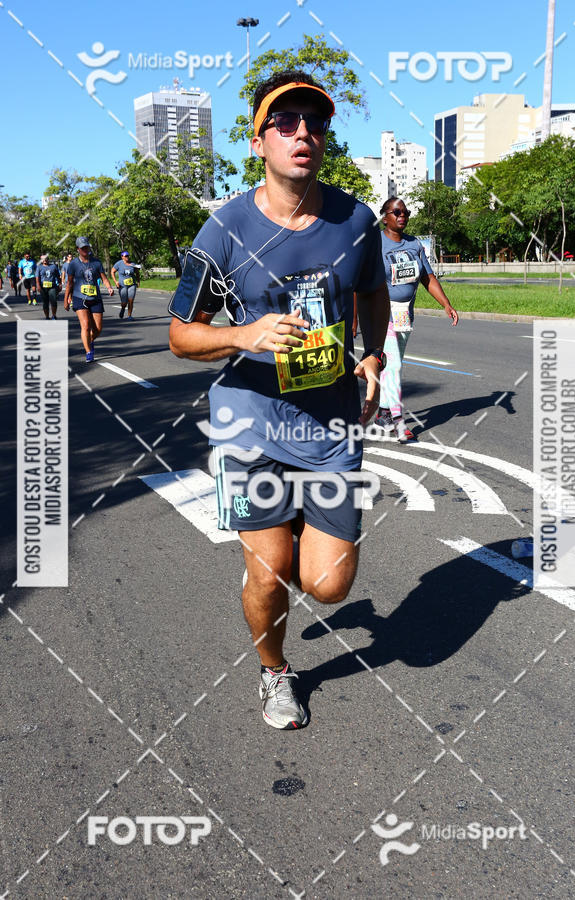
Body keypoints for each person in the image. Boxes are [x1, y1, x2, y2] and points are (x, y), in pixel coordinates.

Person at [169, 70, 389, 730]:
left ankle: (296, 535)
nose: (303, 134)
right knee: (269, 577)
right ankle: (274, 671)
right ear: (259, 140)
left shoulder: (356, 220)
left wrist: (373, 353)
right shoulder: (224, 229)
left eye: (315, 124)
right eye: (286, 123)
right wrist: (245, 333)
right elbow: (181, 335)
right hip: (250, 429)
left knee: (328, 585)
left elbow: (373, 292)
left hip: (329, 430)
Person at [374, 197, 459, 441]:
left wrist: (446, 304)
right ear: (385, 216)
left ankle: (383, 412)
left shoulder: (414, 244)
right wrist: (357, 318)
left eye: (406, 212)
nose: (403, 216)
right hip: (383, 313)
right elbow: (363, 283)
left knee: (392, 366)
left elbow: (427, 278)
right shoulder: (375, 244)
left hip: (405, 314)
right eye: (397, 212)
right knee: (395, 366)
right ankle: (399, 422)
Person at [64, 236, 113, 362]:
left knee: (98, 329)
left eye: (87, 247)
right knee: (85, 326)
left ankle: (89, 341)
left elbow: (104, 278)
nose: (85, 249)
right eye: (83, 248)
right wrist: (66, 299)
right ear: (78, 249)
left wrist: (109, 288)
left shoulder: (96, 262)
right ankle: (89, 352)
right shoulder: (73, 264)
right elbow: (69, 283)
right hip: (79, 298)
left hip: (95, 297)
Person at [111, 250, 139, 319]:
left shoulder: (133, 264)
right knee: (124, 303)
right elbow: (112, 271)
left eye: (128, 256)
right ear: (122, 257)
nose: (127, 257)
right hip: (122, 285)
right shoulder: (119, 264)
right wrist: (115, 281)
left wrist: (138, 281)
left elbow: (137, 273)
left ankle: (129, 315)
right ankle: (123, 309)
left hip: (132, 285)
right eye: (125, 256)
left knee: (131, 301)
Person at [36, 253, 61, 319]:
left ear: (48, 259)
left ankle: (54, 315)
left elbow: (58, 276)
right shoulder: (39, 267)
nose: (44, 260)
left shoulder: (54, 266)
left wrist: (60, 284)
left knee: (53, 301)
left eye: (45, 258)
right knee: (45, 302)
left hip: (52, 287)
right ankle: (47, 316)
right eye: (42, 259)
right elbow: (37, 278)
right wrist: (38, 285)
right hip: (43, 287)